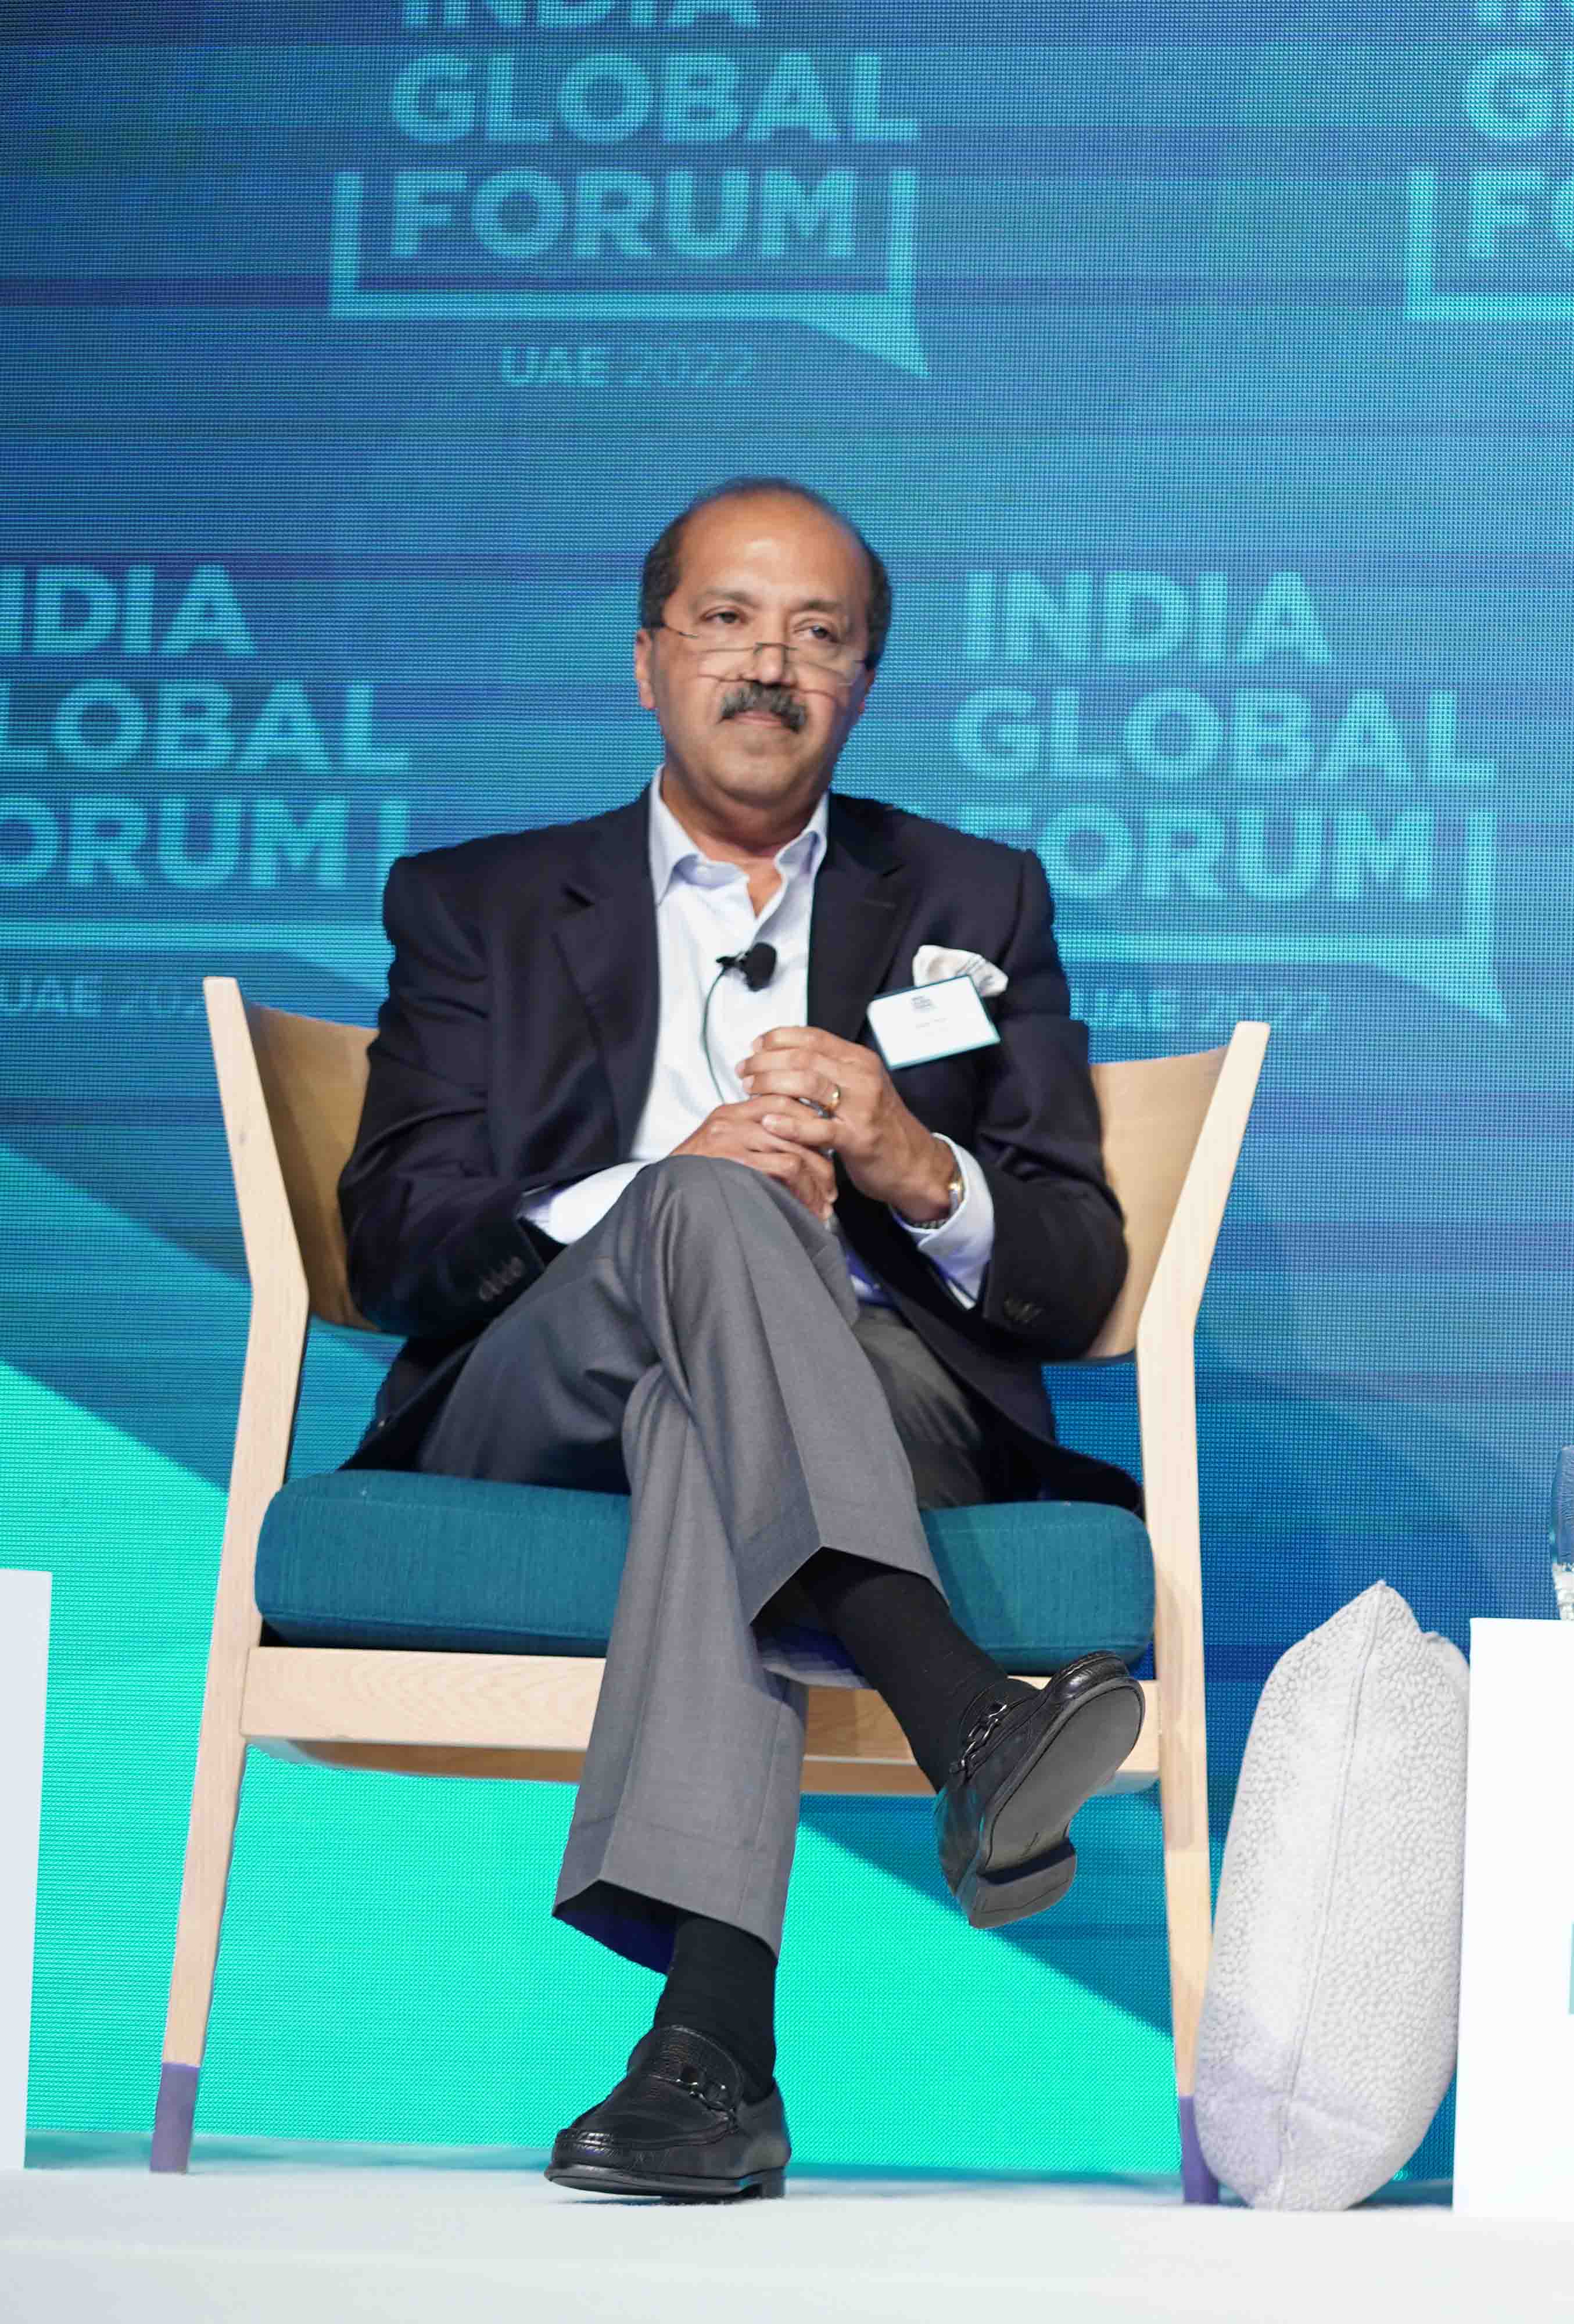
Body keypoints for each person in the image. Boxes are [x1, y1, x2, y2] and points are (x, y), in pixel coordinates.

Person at [338, 476, 1149, 2201]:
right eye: (726, 620)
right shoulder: (476, 904)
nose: (769, 664)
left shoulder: (978, 897)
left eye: (818, 634)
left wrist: (913, 1164)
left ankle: (710, 2059)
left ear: (862, 684)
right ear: (649, 660)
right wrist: (657, 1188)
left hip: (876, 1394)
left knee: (705, 1429)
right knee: (708, 1207)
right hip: (538, 1386)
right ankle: (961, 1711)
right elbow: (399, 1239)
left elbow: (1076, 1274)